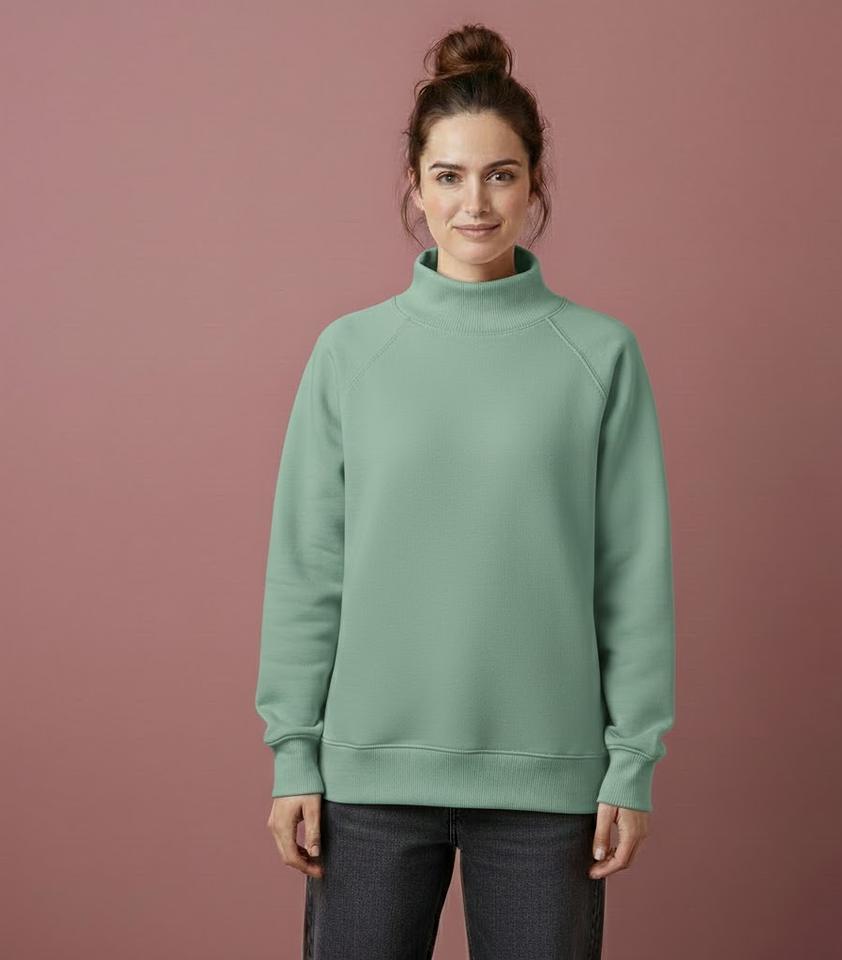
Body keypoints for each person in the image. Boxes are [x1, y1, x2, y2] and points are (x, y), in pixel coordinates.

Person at [254, 22, 676, 960]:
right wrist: (294, 754)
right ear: (415, 185)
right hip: (366, 786)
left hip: (549, 788)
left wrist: (631, 764)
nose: (474, 203)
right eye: (448, 175)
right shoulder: (350, 354)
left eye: (500, 175)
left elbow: (632, 575)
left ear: (535, 185)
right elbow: (308, 568)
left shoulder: (599, 356)